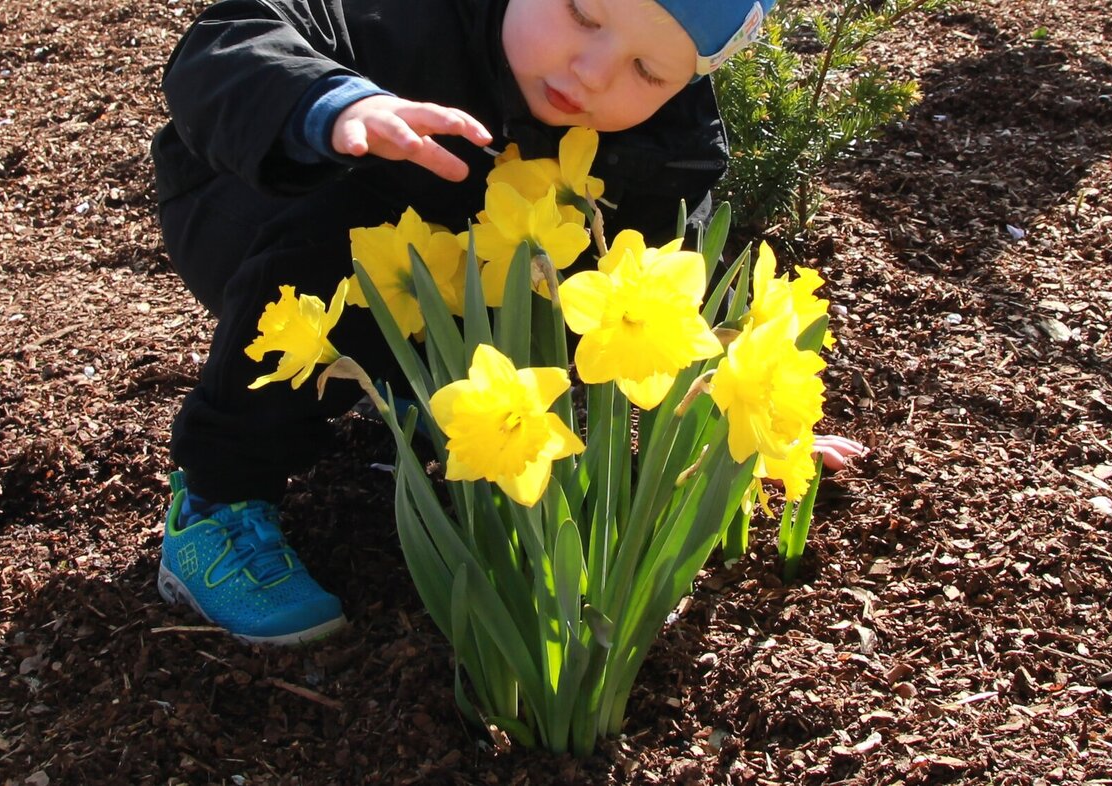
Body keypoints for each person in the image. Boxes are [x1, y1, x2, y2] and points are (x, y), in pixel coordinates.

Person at [151, 0, 862, 646]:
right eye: (584, 14)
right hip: (254, 201)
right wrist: (333, 107)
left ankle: (423, 386)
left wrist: (747, 411)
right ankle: (219, 498)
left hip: (447, 261)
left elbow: (663, 302)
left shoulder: (667, 145)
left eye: (647, 69)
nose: (592, 72)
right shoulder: (404, 18)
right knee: (346, 241)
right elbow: (225, 39)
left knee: (565, 261)